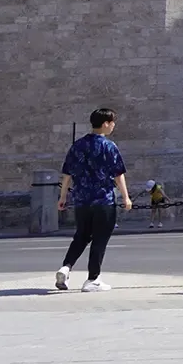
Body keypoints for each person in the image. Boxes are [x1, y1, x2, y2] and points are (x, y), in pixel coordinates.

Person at [56, 107, 131, 292]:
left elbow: (67, 174)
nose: (113, 126)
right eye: (112, 122)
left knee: (81, 236)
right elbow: (118, 174)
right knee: (100, 239)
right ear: (105, 123)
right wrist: (126, 197)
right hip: (103, 200)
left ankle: (66, 268)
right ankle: (93, 279)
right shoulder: (109, 146)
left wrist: (63, 197)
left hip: (81, 200)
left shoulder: (77, 145)